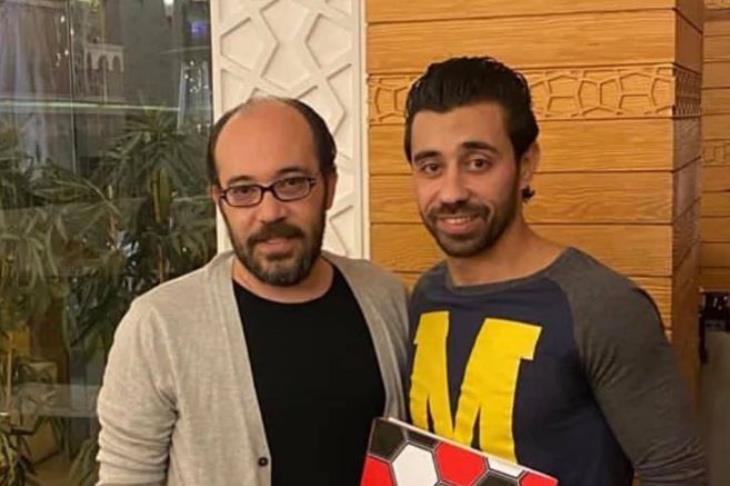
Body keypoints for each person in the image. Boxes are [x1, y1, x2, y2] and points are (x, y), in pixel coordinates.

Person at [403, 57, 706, 485]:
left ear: (526, 164)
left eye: (478, 163)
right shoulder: (425, 296)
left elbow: (678, 474)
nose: (451, 192)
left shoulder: (602, 307)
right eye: (431, 167)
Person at [96, 97, 409, 486]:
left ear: (329, 186)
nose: (270, 212)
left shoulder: (386, 298)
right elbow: (125, 477)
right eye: (243, 190)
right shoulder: (160, 326)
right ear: (219, 200)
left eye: (292, 183)